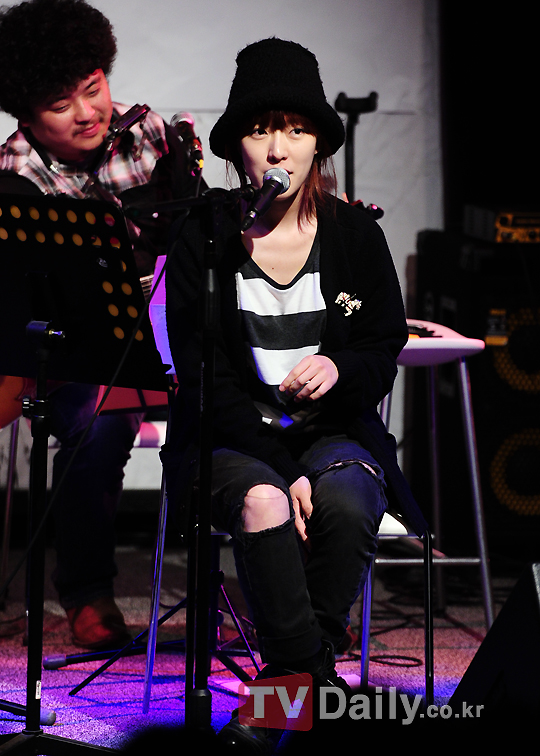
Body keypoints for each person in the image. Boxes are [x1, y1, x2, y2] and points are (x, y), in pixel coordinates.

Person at [164, 37, 428, 752]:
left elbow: (381, 348)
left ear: (318, 145)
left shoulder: (354, 234)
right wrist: (284, 470)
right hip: (230, 439)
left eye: (296, 130)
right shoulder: (204, 239)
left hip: (330, 432)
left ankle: (286, 688)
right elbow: (203, 377)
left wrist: (340, 367)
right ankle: (309, 680)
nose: (278, 148)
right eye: (259, 130)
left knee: (350, 497)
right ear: (236, 149)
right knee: (263, 501)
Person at [0, 0, 201, 649]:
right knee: (99, 421)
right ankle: (86, 594)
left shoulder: (155, 137)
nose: (88, 112)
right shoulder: (15, 175)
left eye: (94, 89)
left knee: (232, 410)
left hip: (171, 333)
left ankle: (269, 601)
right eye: (62, 104)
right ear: (28, 116)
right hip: (79, 350)